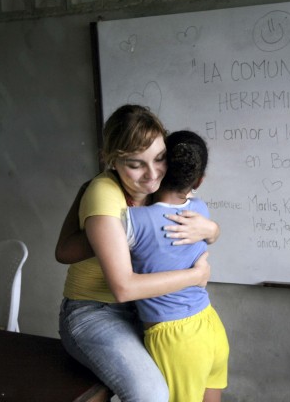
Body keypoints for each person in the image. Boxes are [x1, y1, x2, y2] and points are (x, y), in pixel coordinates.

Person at [56, 105, 220, 402]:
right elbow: (123, 287)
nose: (152, 174)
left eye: (159, 158)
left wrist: (211, 230)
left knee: (204, 366)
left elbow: (65, 250)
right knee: (153, 394)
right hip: (94, 312)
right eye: (135, 164)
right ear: (112, 161)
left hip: (145, 311)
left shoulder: (156, 187)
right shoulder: (105, 194)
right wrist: (195, 275)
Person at [126, 130, 229, 402]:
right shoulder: (201, 211)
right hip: (210, 326)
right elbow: (213, 234)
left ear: (159, 167)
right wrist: (213, 230)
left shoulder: (134, 221)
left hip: (176, 340)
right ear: (199, 180)